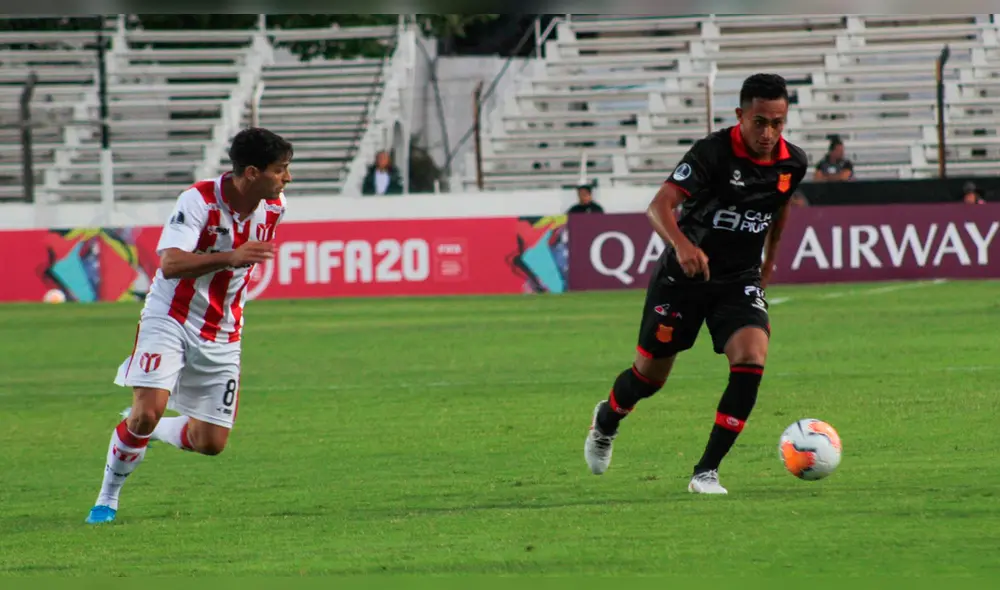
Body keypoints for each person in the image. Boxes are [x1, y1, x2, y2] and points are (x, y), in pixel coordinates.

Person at [583, 73, 808, 495]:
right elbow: (658, 206)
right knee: (649, 378)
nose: (768, 132)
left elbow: (779, 210)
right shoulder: (711, 152)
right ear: (741, 115)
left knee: (752, 359)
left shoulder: (792, 163)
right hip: (684, 277)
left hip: (737, 279)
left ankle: (706, 471)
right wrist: (683, 245)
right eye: (760, 121)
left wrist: (771, 260)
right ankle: (606, 420)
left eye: (778, 123)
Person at [85, 127, 294, 524]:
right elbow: (170, 263)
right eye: (281, 170)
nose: (287, 178)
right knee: (145, 412)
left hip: (224, 328)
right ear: (252, 172)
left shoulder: (275, 205)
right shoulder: (197, 200)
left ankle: (153, 430)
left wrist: (233, 263)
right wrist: (230, 256)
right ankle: (106, 500)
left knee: (211, 442)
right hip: (171, 317)